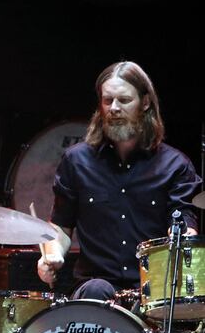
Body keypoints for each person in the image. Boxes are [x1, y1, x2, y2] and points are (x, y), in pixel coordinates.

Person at [37, 61, 200, 301]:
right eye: (107, 100)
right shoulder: (77, 161)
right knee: (97, 290)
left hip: (152, 293)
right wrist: (52, 253)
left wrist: (185, 235)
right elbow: (61, 226)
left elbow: (185, 223)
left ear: (145, 102)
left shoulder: (175, 166)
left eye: (124, 100)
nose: (114, 108)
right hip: (94, 289)